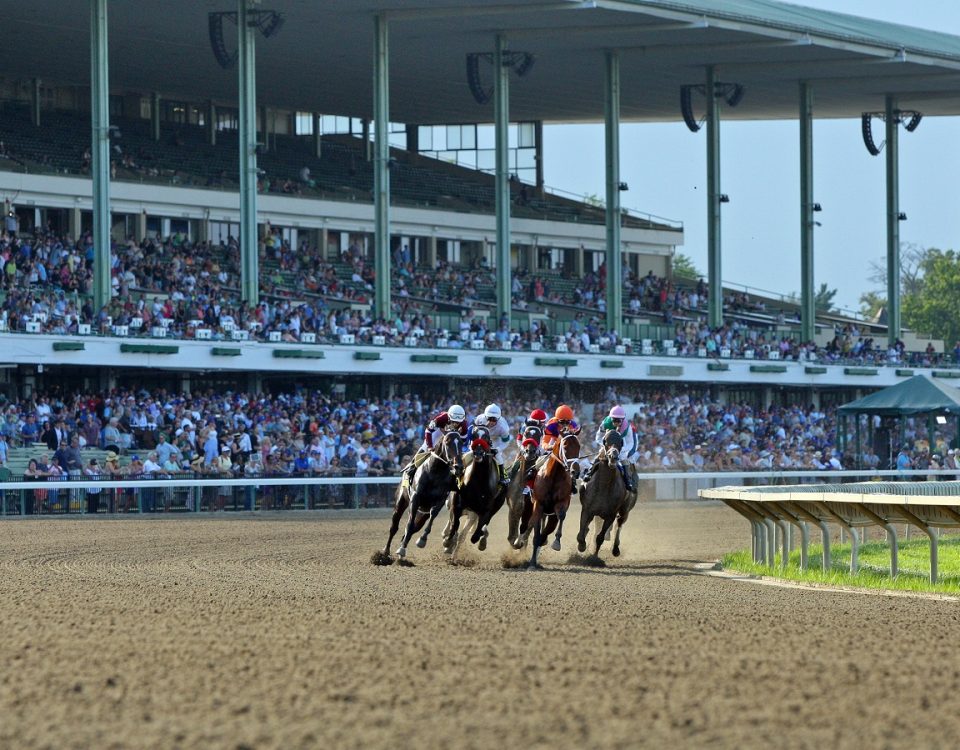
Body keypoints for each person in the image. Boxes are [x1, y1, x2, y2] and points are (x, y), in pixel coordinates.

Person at [402, 404, 467, 483]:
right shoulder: (441, 418)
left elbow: (463, 440)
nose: (456, 424)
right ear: (449, 417)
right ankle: (412, 467)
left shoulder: (464, 424)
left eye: (458, 423)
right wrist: (430, 446)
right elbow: (428, 431)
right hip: (439, 431)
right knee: (425, 446)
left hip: (452, 436)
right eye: (453, 422)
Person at [581, 405, 637, 492]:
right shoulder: (605, 423)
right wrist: (605, 447)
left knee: (622, 458)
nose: (616, 423)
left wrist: (620, 450)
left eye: (618, 421)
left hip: (621, 444)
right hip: (608, 444)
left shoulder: (627, 427)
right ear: (610, 418)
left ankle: (627, 481)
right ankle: (589, 473)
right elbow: (598, 438)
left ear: (622, 420)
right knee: (601, 453)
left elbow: (630, 443)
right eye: (614, 420)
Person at [466, 403, 511, 486]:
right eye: (489, 419)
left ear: (499, 418)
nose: (491, 422)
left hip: (495, 440)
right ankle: (460, 472)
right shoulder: (479, 419)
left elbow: (506, 442)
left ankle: (502, 476)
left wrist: (497, 449)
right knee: (468, 454)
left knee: (498, 456)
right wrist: (471, 446)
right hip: (480, 439)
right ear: (485, 416)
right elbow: (470, 433)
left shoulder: (503, 427)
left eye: (494, 420)